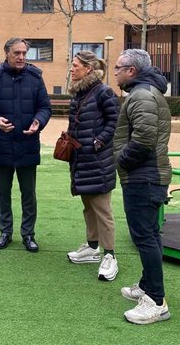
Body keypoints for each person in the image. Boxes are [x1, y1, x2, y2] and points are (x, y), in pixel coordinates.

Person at [112, 49, 172, 324]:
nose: (115, 73)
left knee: (144, 237)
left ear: (132, 71)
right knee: (150, 234)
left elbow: (145, 138)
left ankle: (156, 301)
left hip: (143, 177)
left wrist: (122, 161)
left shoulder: (142, 95)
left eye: (118, 68)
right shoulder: (143, 92)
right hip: (147, 175)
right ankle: (148, 286)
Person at [0, 37, 51, 252]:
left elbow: (45, 107)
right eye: (17, 53)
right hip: (1, 143)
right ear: (6, 53)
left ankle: (28, 234)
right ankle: (5, 232)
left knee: (29, 193)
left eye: (24, 53)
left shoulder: (35, 77)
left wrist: (39, 121)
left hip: (28, 142)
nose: (21, 57)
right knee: (3, 192)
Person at [65, 51, 120, 282]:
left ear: (88, 69)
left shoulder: (104, 91)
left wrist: (98, 142)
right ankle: (92, 247)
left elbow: (114, 121)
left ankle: (110, 256)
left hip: (97, 160)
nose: (71, 68)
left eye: (75, 65)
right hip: (81, 159)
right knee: (88, 206)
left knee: (102, 210)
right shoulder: (80, 92)